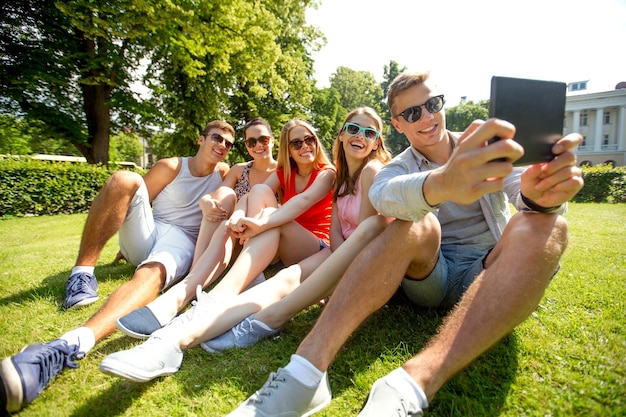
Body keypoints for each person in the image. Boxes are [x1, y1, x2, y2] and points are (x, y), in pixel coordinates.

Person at [225, 70, 585, 417]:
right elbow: (384, 196)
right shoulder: (396, 167)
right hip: (433, 276)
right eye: (412, 113)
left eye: (433, 104)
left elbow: (527, 195)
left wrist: (541, 195)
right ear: (397, 124)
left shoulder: (485, 149)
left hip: (490, 269)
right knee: (414, 221)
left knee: (549, 225)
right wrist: (443, 182)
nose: (426, 117)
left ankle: (412, 384)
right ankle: (304, 373)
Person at [97, 107, 393, 382]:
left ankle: (199, 309)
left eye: (370, 133)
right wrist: (238, 215)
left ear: (378, 141)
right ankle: (194, 314)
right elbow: (335, 230)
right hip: (326, 252)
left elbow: (359, 236)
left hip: (331, 254)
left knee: (272, 228)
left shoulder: (349, 173)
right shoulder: (341, 178)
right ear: (341, 134)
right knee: (266, 214)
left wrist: (265, 224)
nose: (304, 146)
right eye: (354, 129)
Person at [0, 120, 235, 413]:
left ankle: (70, 344)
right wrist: (128, 245)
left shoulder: (226, 175)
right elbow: (135, 202)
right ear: (201, 139)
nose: (223, 146)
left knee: (152, 274)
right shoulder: (171, 166)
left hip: (181, 243)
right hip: (151, 230)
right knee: (125, 179)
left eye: (229, 144)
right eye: (217, 138)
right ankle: (81, 276)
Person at [115, 117, 278, 338]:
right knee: (226, 199)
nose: (259, 145)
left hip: (264, 238)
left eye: (264, 139)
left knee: (250, 200)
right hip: (234, 233)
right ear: (246, 146)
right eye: (252, 142)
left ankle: (189, 286)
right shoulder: (240, 169)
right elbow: (221, 192)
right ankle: (193, 280)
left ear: (273, 140)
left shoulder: (284, 169)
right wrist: (206, 201)